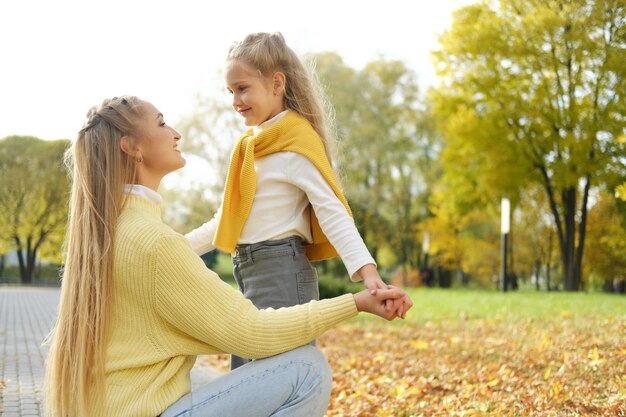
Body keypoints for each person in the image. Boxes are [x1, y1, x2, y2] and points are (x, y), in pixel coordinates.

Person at [43, 95, 413, 417]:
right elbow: (252, 334)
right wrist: (355, 303)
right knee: (307, 367)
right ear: (132, 147)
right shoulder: (153, 243)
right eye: (161, 123)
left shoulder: (111, 234)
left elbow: (215, 232)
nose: (175, 133)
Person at [185, 32, 392, 370]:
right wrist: (170, 248)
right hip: (250, 272)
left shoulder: (295, 142)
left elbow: (332, 211)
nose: (235, 100)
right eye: (230, 91)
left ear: (276, 83)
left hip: (281, 274)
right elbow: (225, 221)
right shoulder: (251, 147)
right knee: (250, 380)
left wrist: (368, 273)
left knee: (275, 379)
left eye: (242, 88)